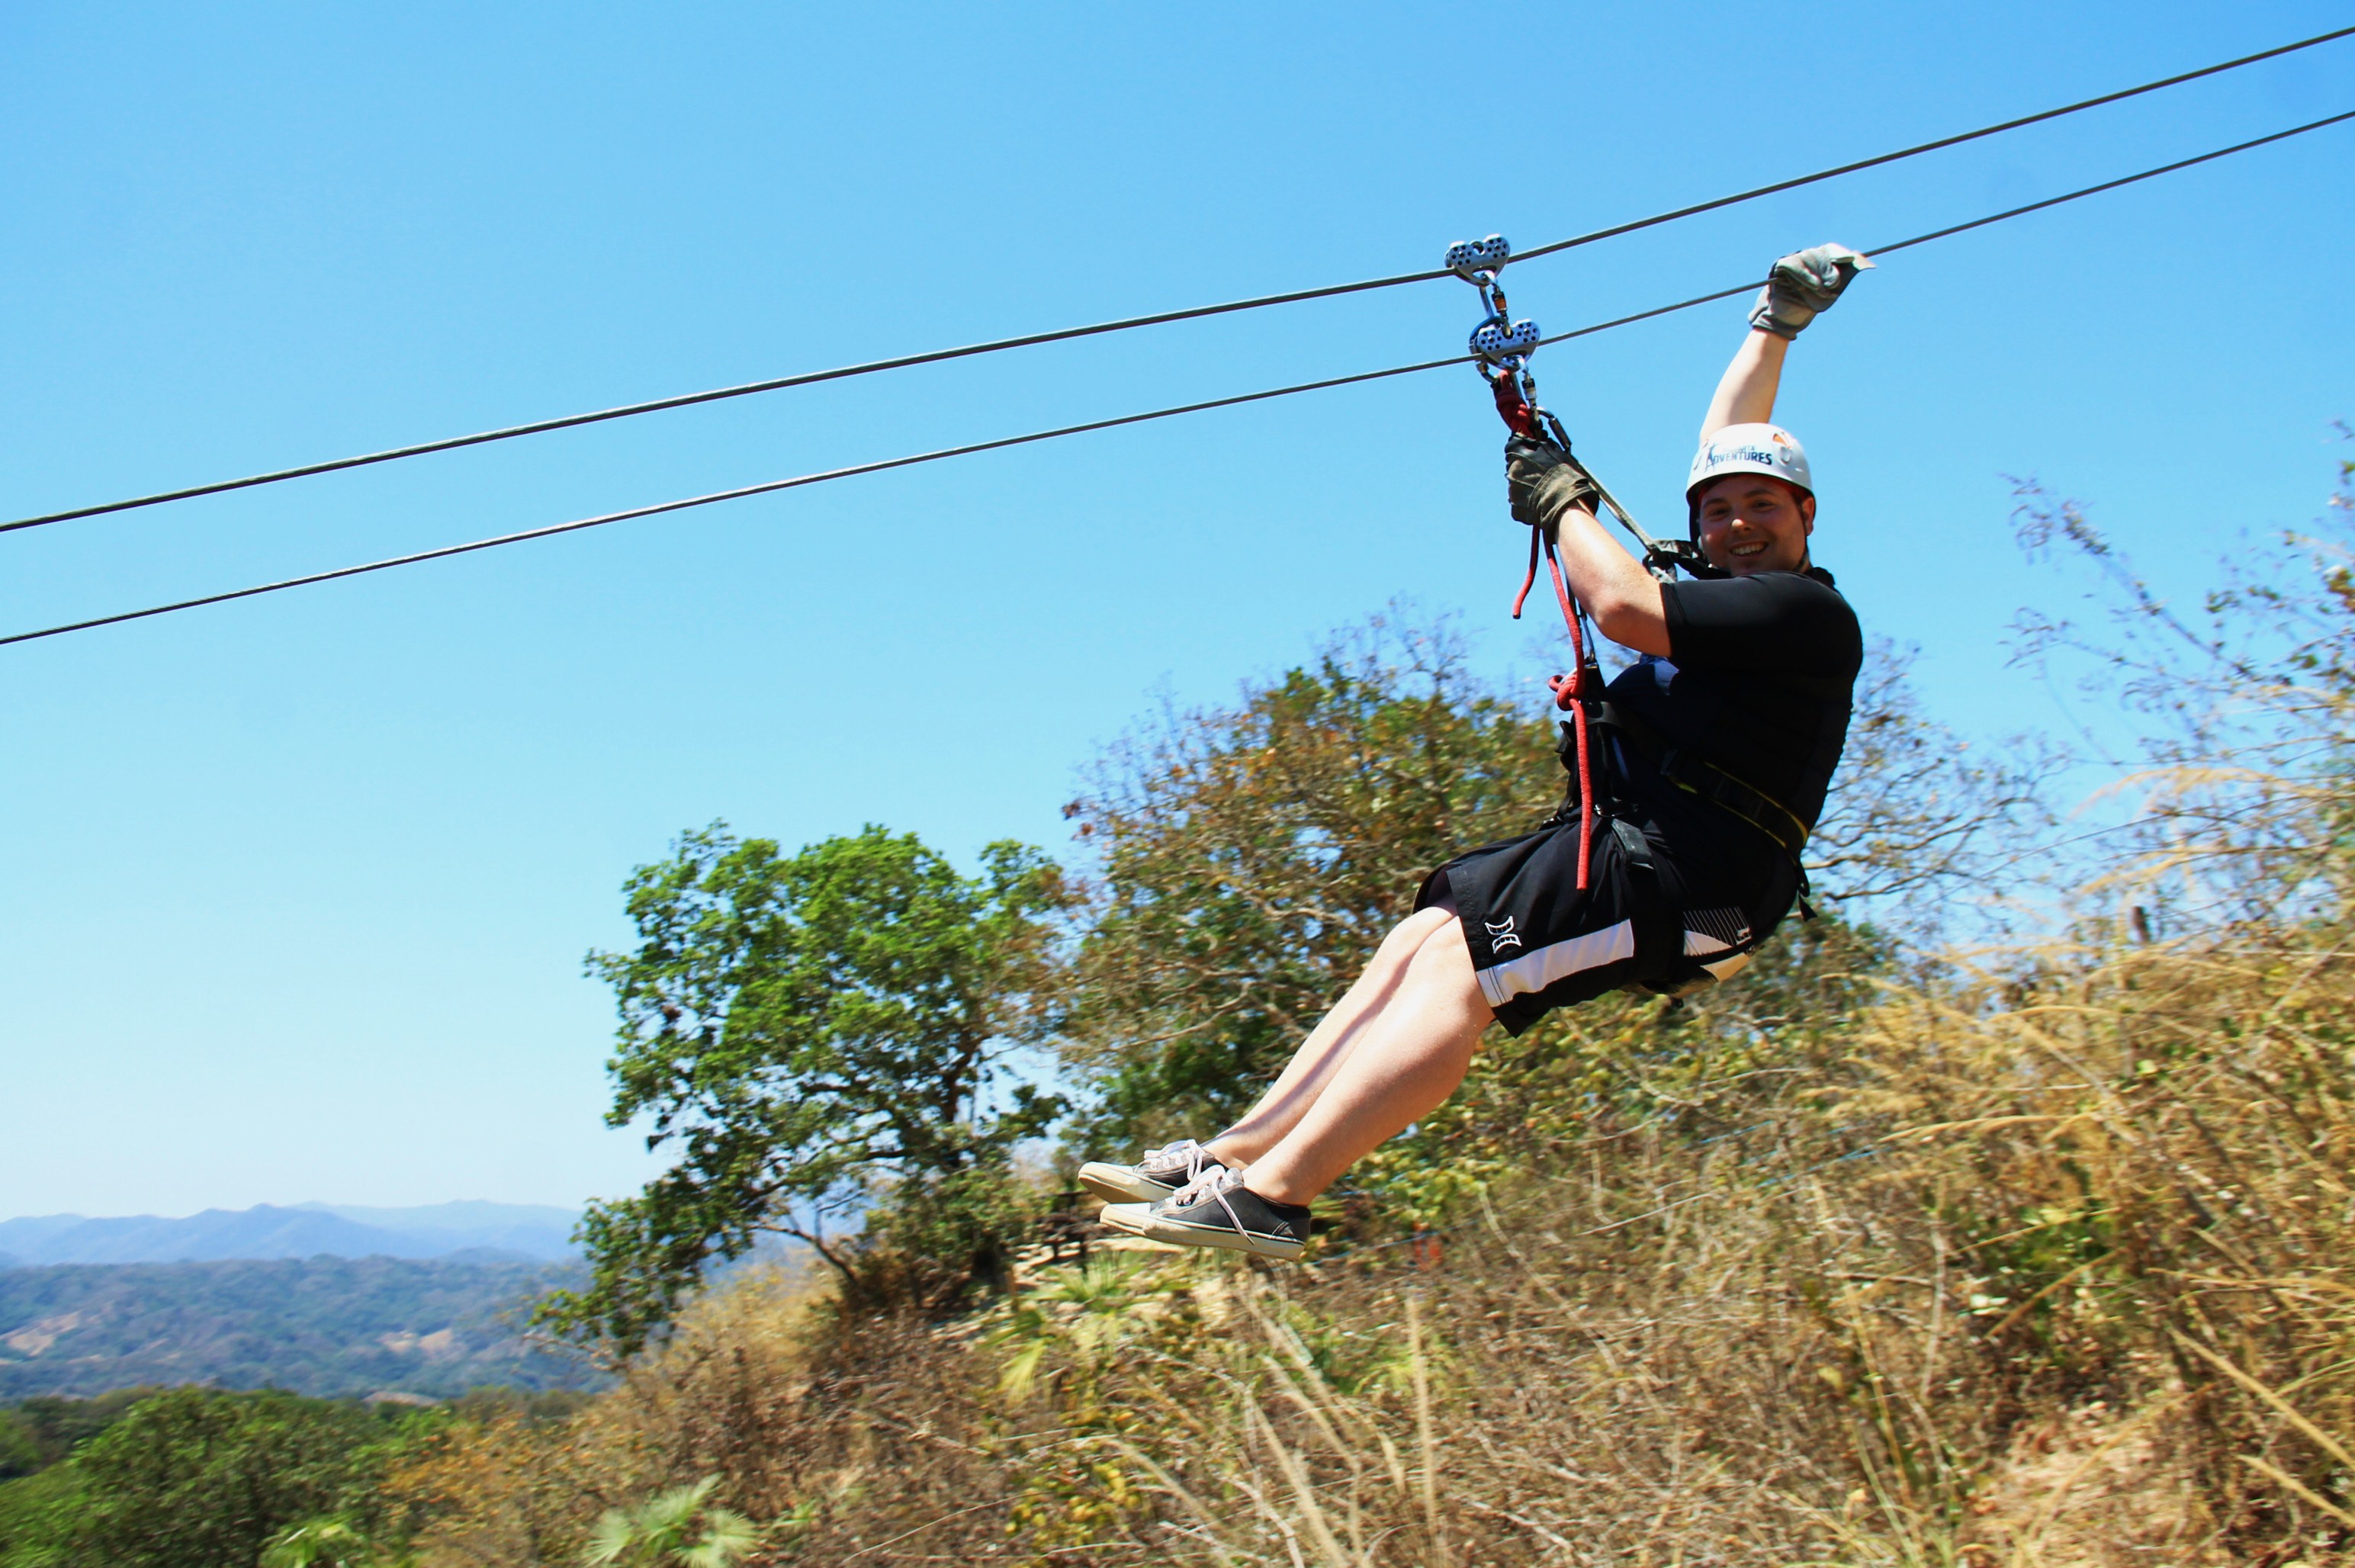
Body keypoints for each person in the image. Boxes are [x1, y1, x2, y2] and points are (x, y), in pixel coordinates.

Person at [1081, 245, 1872, 1260]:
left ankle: (1277, 1196)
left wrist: (1563, 501)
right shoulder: (1724, 593)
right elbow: (1728, 441)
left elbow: (1622, 606)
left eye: (1764, 506)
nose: (1737, 523)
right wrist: (1774, 325)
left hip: (1700, 878)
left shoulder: (1805, 614)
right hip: (1643, 845)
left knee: (1467, 972)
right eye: (1717, 510)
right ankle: (1238, 1156)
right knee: (1425, 937)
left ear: (1808, 515)